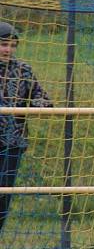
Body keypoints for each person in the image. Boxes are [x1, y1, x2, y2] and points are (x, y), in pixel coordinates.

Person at [0, 21, 52, 235]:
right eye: (3, 44)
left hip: (13, 142)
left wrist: (39, 105)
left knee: (3, 195)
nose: (8, 50)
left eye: (12, 45)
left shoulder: (23, 70)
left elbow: (42, 98)